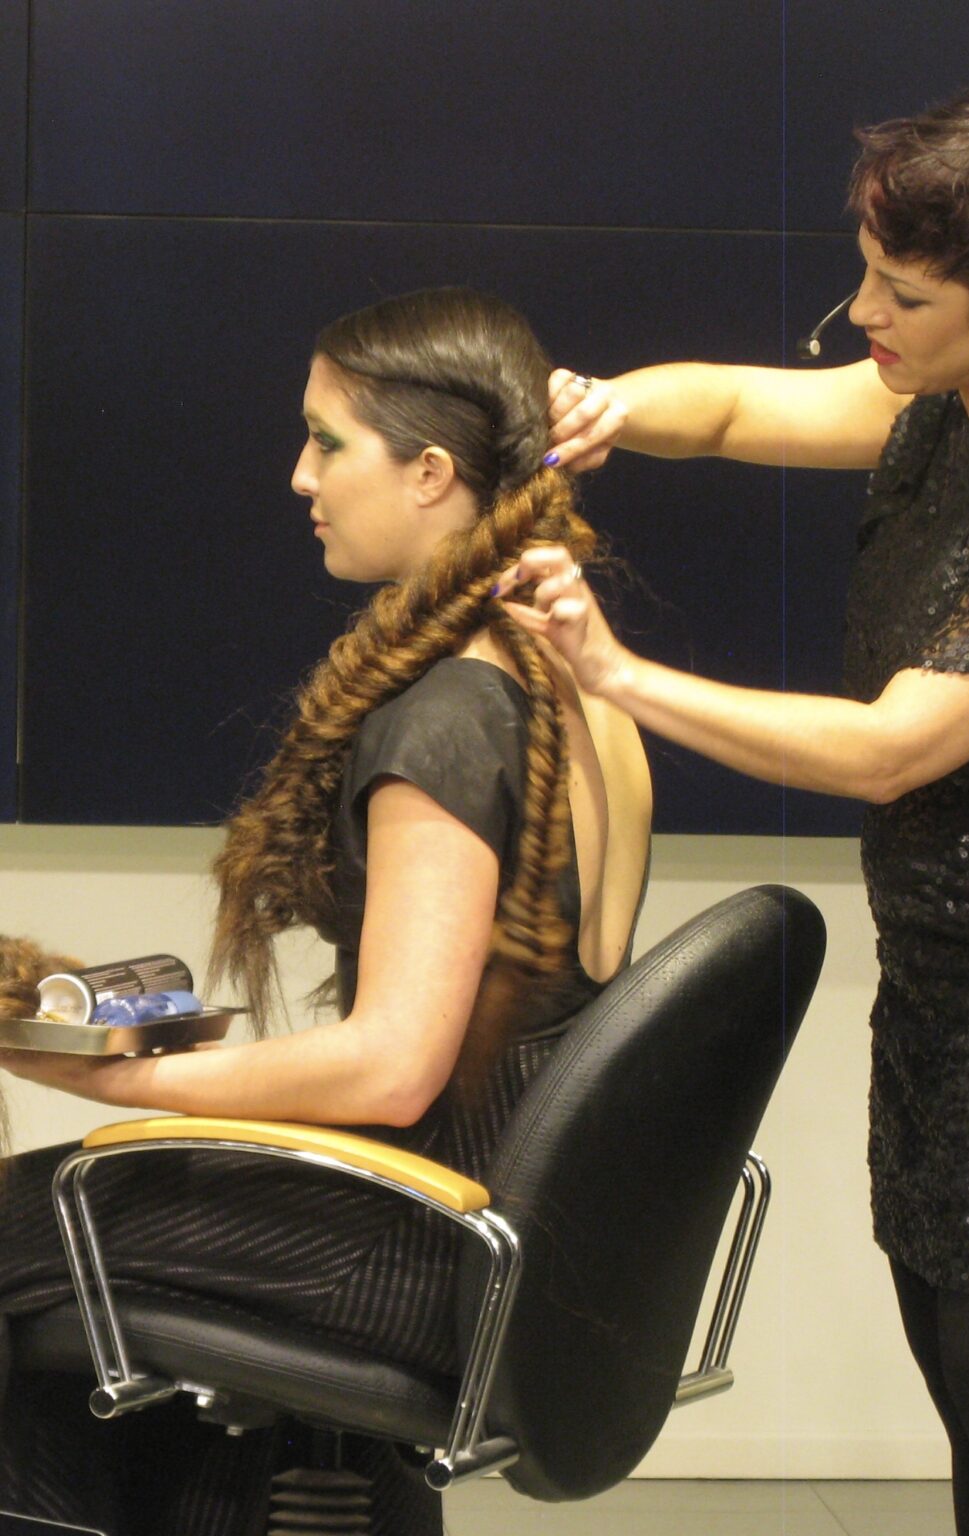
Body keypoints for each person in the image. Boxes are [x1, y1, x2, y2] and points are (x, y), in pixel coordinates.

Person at [498, 91, 969, 1536]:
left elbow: (888, 751)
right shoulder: (948, 400)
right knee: (960, 1366)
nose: (859, 309)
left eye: (902, 291)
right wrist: (609, 407)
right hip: (951, 972)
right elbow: (743, 409)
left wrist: (614, 672)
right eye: (865, 266)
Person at [0, 287, 652, 1536]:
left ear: (429, 472)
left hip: (409, 1248)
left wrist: (103, 1082)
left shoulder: (449, 717)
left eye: (326, 441)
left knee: (25, 1227)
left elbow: (392, 1067)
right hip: (496, 1243)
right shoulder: (578, 684)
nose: (300, 476)